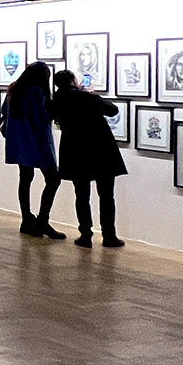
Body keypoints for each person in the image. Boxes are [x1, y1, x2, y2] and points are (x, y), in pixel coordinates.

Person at [50, 69, 125, 248]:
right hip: (100, 149)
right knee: (107, 195)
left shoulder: (56, 102)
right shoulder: (87, 98)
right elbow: (112, 110)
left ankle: (85, 234)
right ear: (74, 81)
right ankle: (109, 235)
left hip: (75, 151)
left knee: (81, 195)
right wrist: (89, 93)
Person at [1, 61, 63, 239]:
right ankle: (42, 221)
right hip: (39, 142)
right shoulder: (38, 93)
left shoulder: (14, 90)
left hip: (20, 144)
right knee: (53, 179)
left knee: (25, 179)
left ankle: (26, 219)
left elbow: (4, 115)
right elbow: (43, 116)